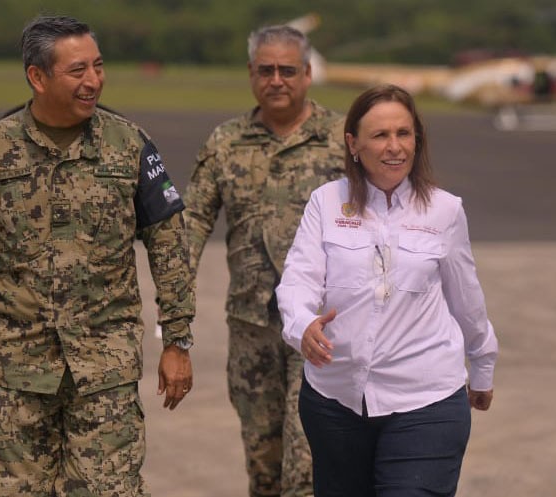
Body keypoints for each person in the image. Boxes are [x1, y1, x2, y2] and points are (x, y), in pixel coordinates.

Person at [0, 15, 195, 496]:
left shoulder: (129, 146)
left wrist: (177, 341)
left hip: (105, 372)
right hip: (17, 373)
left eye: (98, 66)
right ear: (37, 76)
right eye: (77, 70)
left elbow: (169, 246)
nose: (93, 80)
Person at [276, 84, 499, 497]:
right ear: (353, 144)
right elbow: (298, 279)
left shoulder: (445, 210)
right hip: (335, 401)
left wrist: (482, 366)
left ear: (417, 140)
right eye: (380, 135)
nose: (394, 147)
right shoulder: (325, 202)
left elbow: (466, 298)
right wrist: (302, 324)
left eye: (404, 133)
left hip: (426, 400)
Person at [184, 24, 346, 497]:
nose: (277, 80)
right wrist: (175, 301)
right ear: (251, 73)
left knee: (307, 461)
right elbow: (192, 221)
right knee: (263, 462)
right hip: (251, 325)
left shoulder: (342, 138)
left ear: (308, 74)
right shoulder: (226, 141)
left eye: (287, 71)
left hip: (322, 326)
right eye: (266, 70)